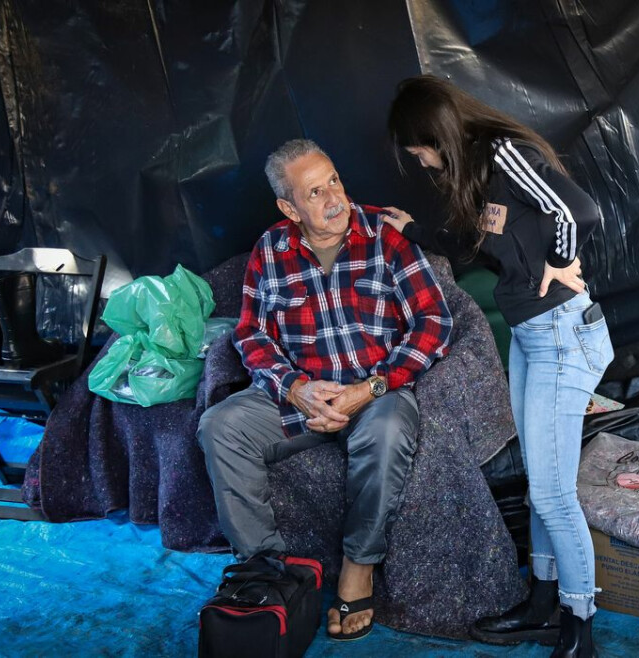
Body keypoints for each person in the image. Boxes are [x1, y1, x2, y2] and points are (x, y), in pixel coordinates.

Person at [384, 75, 614, 658]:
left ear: (436, 132)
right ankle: (542, 601)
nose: (422, 161)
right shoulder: (479, 179)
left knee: (555, 493)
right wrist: (411, 231)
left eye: (420, 149)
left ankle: (579, 626)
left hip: (563, 335)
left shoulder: (504, 153)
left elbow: (579, 211)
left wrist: (560, 261)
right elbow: (484, 250)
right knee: (540, 486)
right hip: (531, 336)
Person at [196, 138, 453, 642]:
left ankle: (358, 567)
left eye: (334, 180)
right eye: (315, 193)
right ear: (289, 208)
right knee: (219, 426)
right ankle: (265, 568)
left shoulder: (385, 235)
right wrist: (295, 389)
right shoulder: (271, 250)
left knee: (390, 428)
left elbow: (434, 320)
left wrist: (371, 386)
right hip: (300, 395)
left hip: (374, 391)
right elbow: (250, 333)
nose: (335, 199)